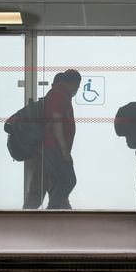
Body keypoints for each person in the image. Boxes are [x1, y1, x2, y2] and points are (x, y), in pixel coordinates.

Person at [22, 72, 65, 209]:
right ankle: (25, 223)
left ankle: (62, 221)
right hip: (44, 154)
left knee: (57, 191)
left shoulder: (48, 103)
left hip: (47, 154)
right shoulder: (49, 104)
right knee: (39, 192)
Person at [43, 69, 81, 209]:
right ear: (73, 83)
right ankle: (53, 209)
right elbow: (56, 121)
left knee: (58, 181)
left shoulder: (62, 94)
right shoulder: (59, 94)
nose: (77, 89)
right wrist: (65, 151)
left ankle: (59, 210)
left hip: (54, 146)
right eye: (77, 86)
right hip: (54, 146)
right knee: (69, 180)